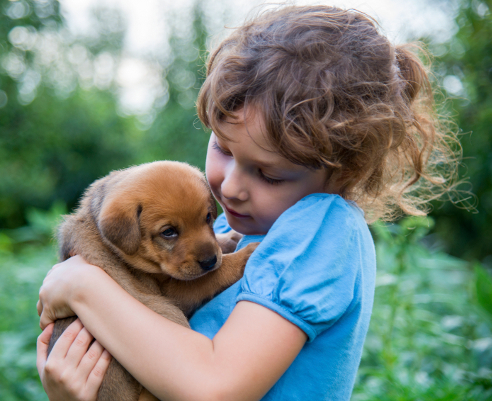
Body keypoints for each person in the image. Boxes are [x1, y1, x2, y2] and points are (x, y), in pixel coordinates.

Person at [36, 5, 458, 401]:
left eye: (269, 173)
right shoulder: (222, 234)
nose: (232, 187)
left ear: (342, 171)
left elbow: (214, 387)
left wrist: (81, 285)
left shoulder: (323, 231)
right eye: (222, 147)